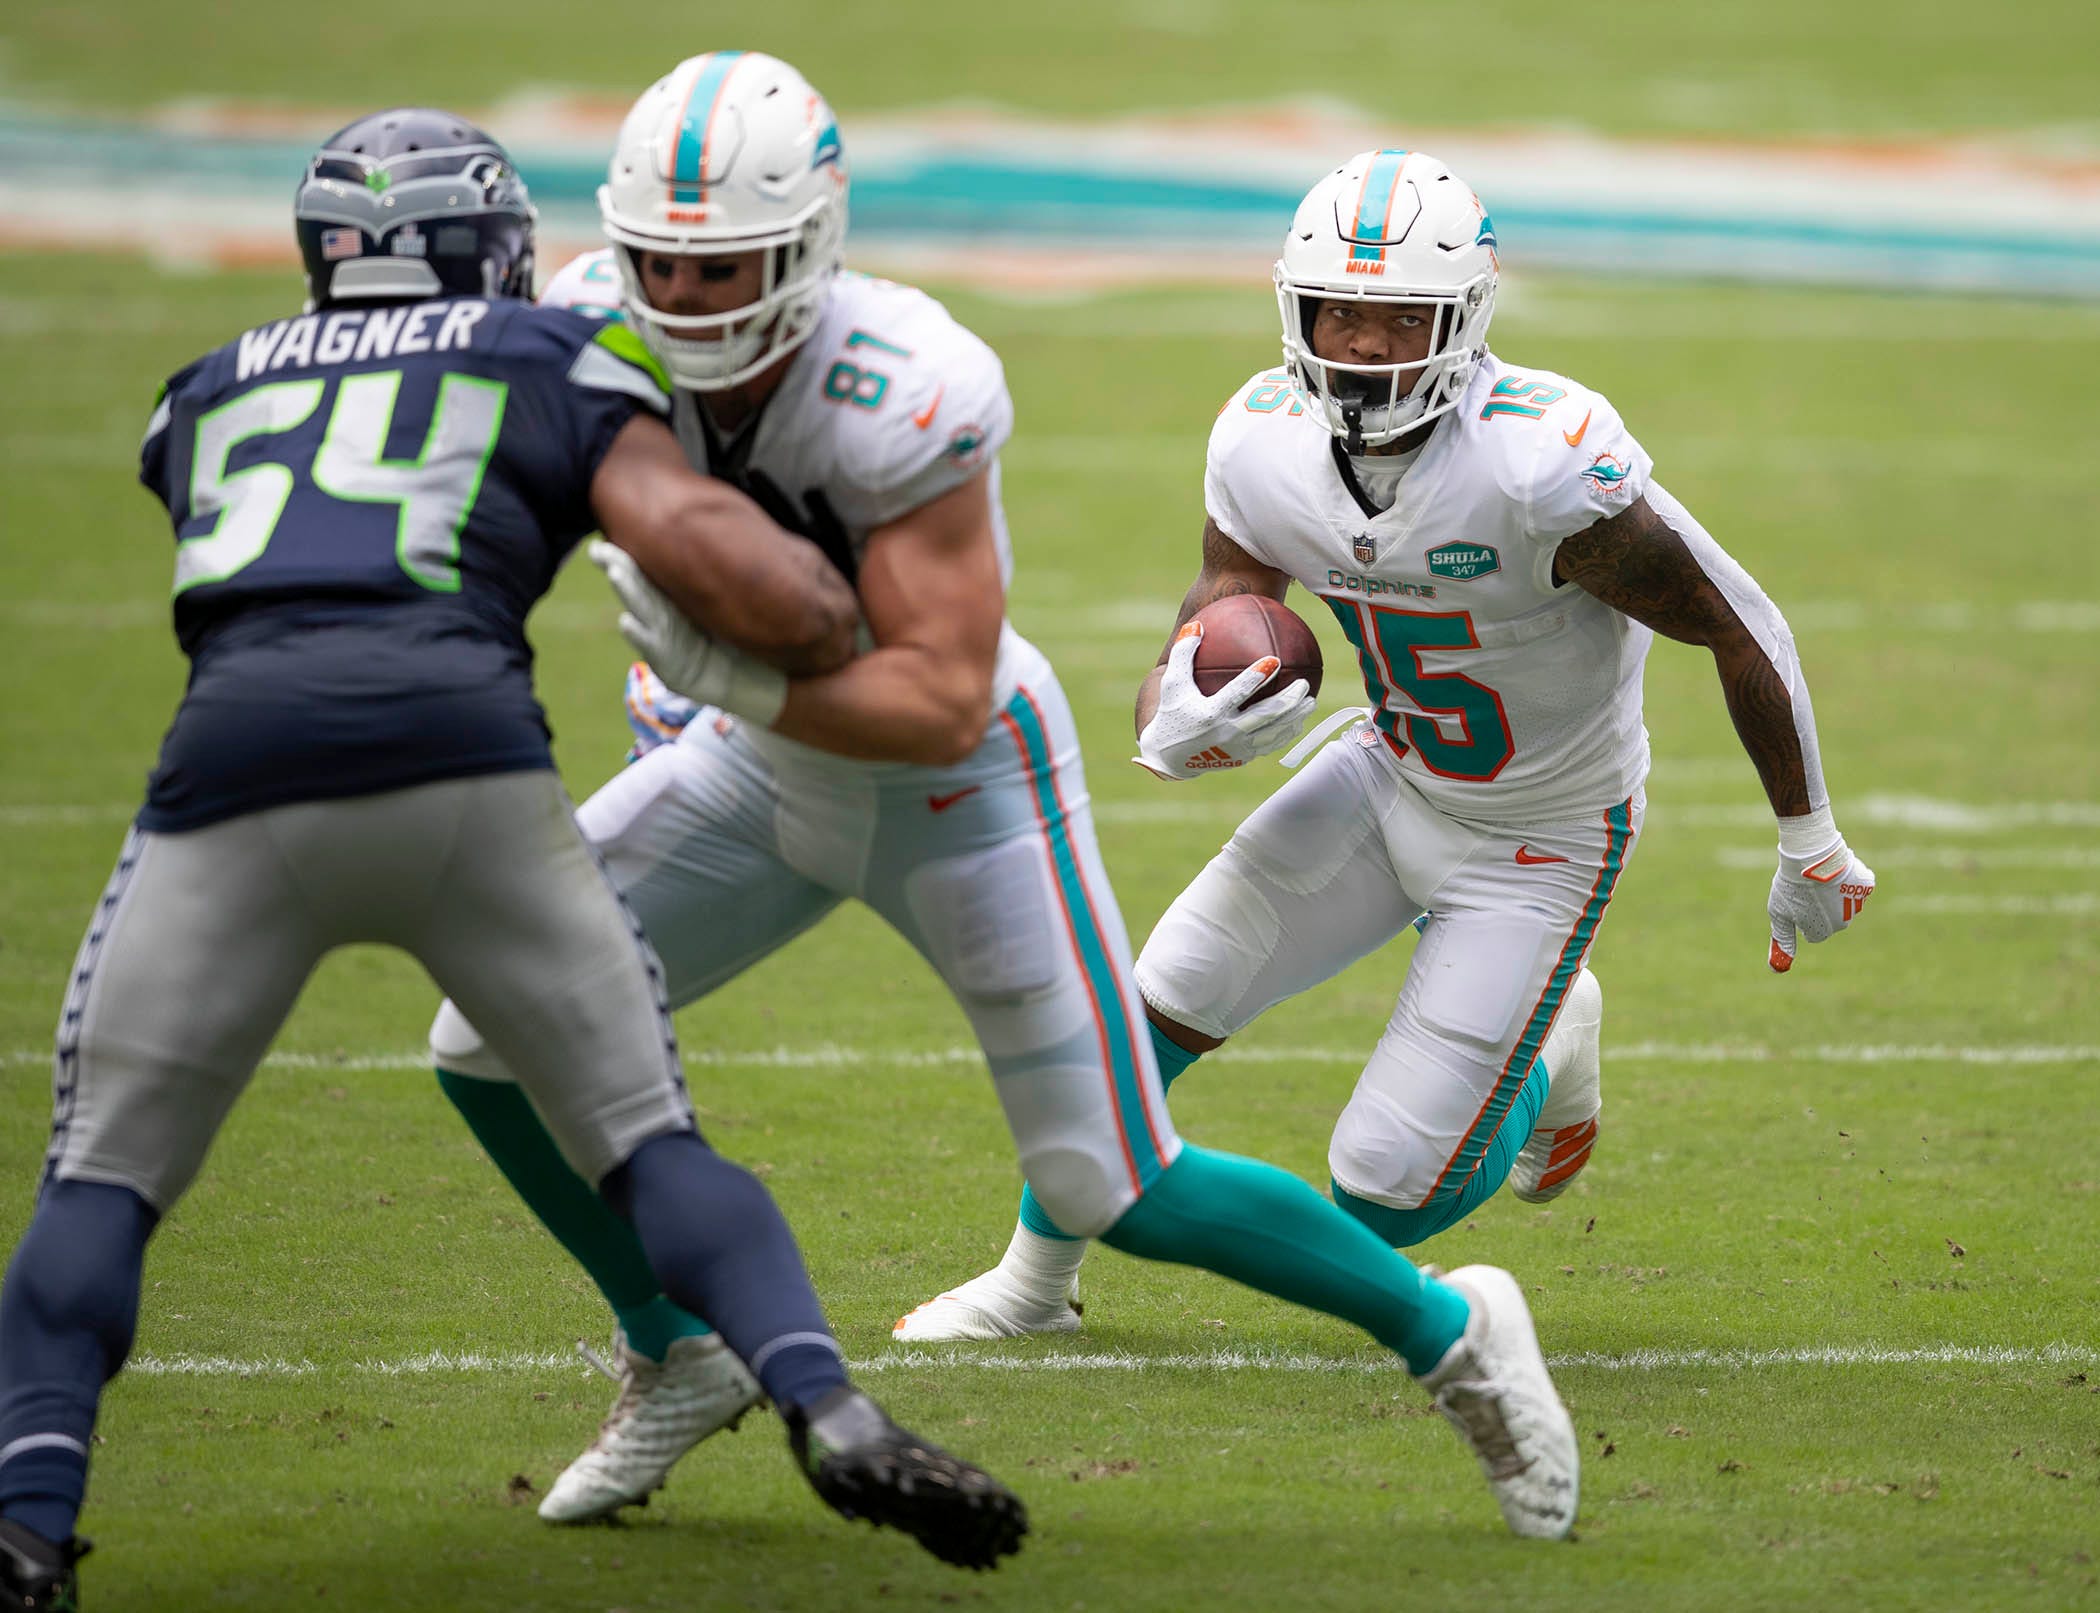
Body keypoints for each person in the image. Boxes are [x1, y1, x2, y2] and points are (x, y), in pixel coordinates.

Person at [426, 57, 1583, 1543]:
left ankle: (1453, 1334)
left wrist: (728, 670)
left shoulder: (904, 381)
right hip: (752, 761)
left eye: (728, 269)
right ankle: (676, 1346)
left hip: (957, 781)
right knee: (486, 1041)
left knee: (1110, 1180)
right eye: (660, 263)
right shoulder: (583, 324)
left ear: (812, 246)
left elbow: (936, 699)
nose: (689, 300)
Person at [0, 109, 1025, 1611]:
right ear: (498, 250)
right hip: (460, 764)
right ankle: (825, 1401)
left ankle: (30, 1517)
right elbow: (744, 576)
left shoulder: (200, 392)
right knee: (647, 1139)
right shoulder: (544, 357)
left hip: (233, 778)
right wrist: (788, 626)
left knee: (100, 1182)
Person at [894, 148, 1879, 1342]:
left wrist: (1809, 835)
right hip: (1385, 772)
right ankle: (1033, 1283)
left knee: (1386, 1186)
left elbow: (1737, 620)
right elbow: (1220, 599)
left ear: (1460, 319)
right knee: (1150, 1002)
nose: (1360, 343)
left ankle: (1558, 1042)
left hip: (1542, 836)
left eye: (1396, 315)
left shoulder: (1540, 462)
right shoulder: (1264, 438)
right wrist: (1179, 708)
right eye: (1339, 311)